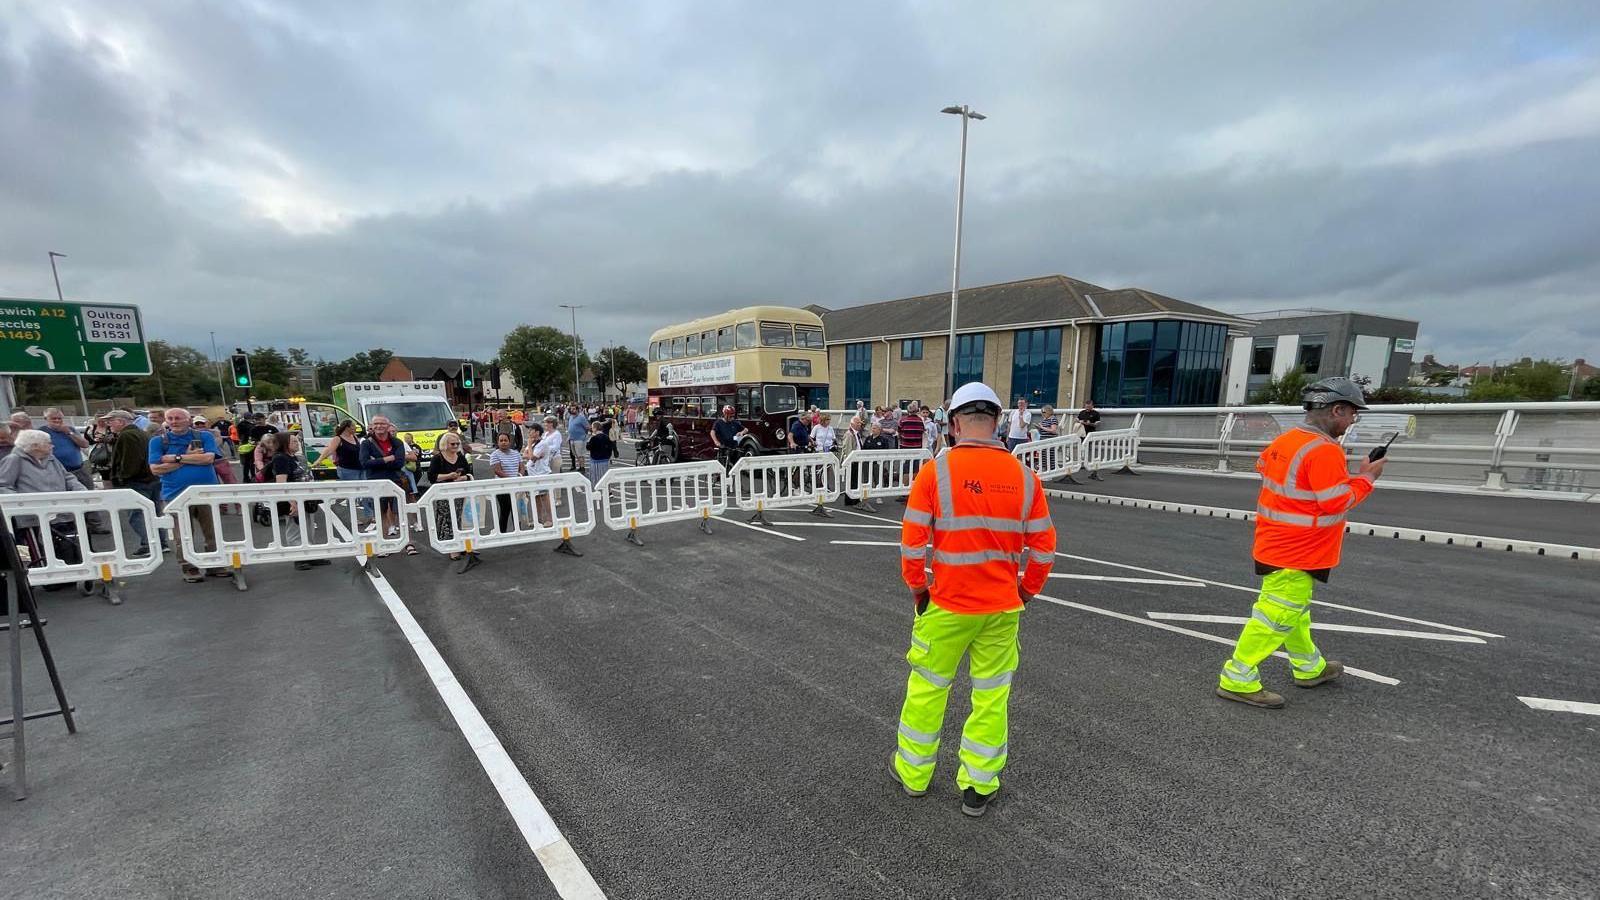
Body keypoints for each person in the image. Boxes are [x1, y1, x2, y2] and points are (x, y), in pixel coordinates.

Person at [891, 381, 1055, 818]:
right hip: (1001, 609)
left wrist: (918, 588)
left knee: (927, 690)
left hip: (945, 605)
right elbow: (1042, 550)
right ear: (998, 421)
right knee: (991, 697)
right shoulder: (1025, 477)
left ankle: (914, 774)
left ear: (955, 423)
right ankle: (979, 786)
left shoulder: (935, 472)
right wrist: (1025, 590)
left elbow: (912, 545)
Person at [1217, 377, 1386, 709]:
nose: (1353, 420)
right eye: (1353, 413)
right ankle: (1237, 678)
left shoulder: (1287, 440)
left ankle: (1309, 668)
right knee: (1276, 617)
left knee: (1293, 613)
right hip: (1299, 550)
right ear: (1337, 409)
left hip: (1275, 542)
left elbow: (1265, 468)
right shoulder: (1325, 450)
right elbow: (1336, 502)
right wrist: (1367, 478)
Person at [148, 408, 228, 583]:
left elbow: (208, 458)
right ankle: (188, 567)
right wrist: (189, 457)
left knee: (212, 531)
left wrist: (174, 459)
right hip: (175, 494)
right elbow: (155, 468)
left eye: (178, 418)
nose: (174, 421)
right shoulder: (157, 441)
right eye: (170, 418)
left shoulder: (203, 437)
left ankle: (215, 563)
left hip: (206, 491)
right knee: (182, 534)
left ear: (188, 420)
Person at [0, 429, 88, 574]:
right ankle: (47, 576)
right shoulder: (14, 459)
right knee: (41, 548)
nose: (52, 446)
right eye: (48, 443)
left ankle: (71, 571)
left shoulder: (51, 458)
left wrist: (81, 491)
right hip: (32, 517)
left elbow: (68, 478)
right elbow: (3, 485)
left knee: (68, 542)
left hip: (61, 511)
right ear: (35, 446)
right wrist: (22, 502)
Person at [268, 431, 332, 571]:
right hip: (293, 500)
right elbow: (281, 482)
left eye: (297, 441)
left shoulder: (294, 457)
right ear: (285, 444)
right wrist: (292, 503)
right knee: (295, 528)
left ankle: (311, 554)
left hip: (305, 499)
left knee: (308, 526)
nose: (297, 443)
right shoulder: (280, 458)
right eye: (294, 441)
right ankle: (299, 557)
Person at [104, 409, 163, 555]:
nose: (108, 424)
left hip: (137, 480)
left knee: (136, 514)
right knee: (154, 512)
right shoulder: (142, 433)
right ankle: (161, 542)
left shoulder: (127, 435)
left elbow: (129, 460)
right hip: (151, 478)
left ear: (121, 421)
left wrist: (122, 478)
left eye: (111, 420)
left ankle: (148, 544)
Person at [42, 407, 109, 534]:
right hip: (57, 471)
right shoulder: (42, 433)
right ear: (46, 419)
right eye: (53, 419)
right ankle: (75, 526)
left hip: (78, 468)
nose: (57, 421)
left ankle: (95, 524)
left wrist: (69, 433)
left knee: (89, 494)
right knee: (66, 499)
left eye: (59, 418)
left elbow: (84, 444)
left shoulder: (70, 430)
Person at [359, 416, 410, 543]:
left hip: (395, 480)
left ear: (388, 426)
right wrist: (387, 459)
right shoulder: (366, 443)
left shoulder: (397, 442)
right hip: (376, 482)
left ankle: (406, 543)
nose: (379, 426)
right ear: (372, 426)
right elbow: (364, 463)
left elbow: (399, 463)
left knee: (400, 511)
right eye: (376, 423)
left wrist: (375, 461)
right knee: (380, 512)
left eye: (382, 423)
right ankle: (384, 543)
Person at [429, 432, 475, 562]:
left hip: (459, 493)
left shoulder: (460, 457)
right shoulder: (438, 458)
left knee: (459, 518)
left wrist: (462, 478)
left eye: (457, 443)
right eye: (452, 444)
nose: (455, 446)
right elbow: (432, 477)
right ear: (445, 444)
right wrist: (448, 476)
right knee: (446, 520)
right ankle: (451, 548)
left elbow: (469, 472)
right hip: (442, 494)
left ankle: (460, 544)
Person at [587, 419, 617, 487]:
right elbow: (611, 447)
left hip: (596, 460)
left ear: (595, 428)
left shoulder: (593, 438)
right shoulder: (607, 437)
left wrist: (590, 438)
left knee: (596, 476)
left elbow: (588, 447)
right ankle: (609, 491)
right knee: (605, 476)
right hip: (605, 460)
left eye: (592, 428)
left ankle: (596, 490)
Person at [566, 405, 589, 473]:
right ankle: (580, 466)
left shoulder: (581, 417)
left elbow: (587, 427)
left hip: (579, 439)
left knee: (580, 454)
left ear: (577, 410)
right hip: (572, 439)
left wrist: (584, 435)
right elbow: (570, 428)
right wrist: (569, 437)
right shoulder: (571, 417)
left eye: (574, 409)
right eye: (571, 409)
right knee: (575, 454)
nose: (572, 410)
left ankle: (582, 467)